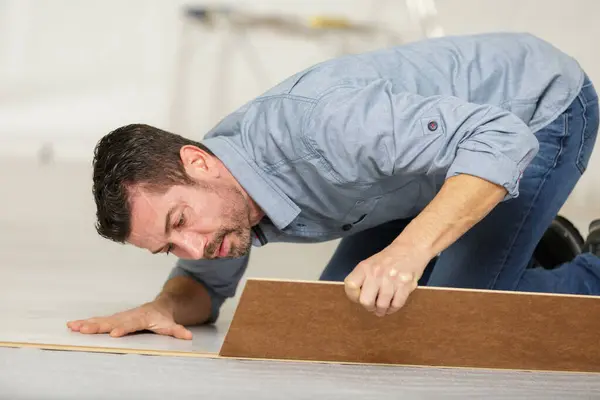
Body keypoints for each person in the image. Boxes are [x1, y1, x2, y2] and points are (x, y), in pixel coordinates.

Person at [67, 32, 600, 340]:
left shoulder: (324, 125)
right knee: (342, 322)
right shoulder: (216, 200)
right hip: (419, 167)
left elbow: (499, 138)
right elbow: (203, 289)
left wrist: (409, 252)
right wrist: (164, 305)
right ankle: (520, 238)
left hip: (532, 112)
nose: (191, 249)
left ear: (198, 163)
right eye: (168, 247)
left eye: (178, 224)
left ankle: (590, 266)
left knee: (446, 322)